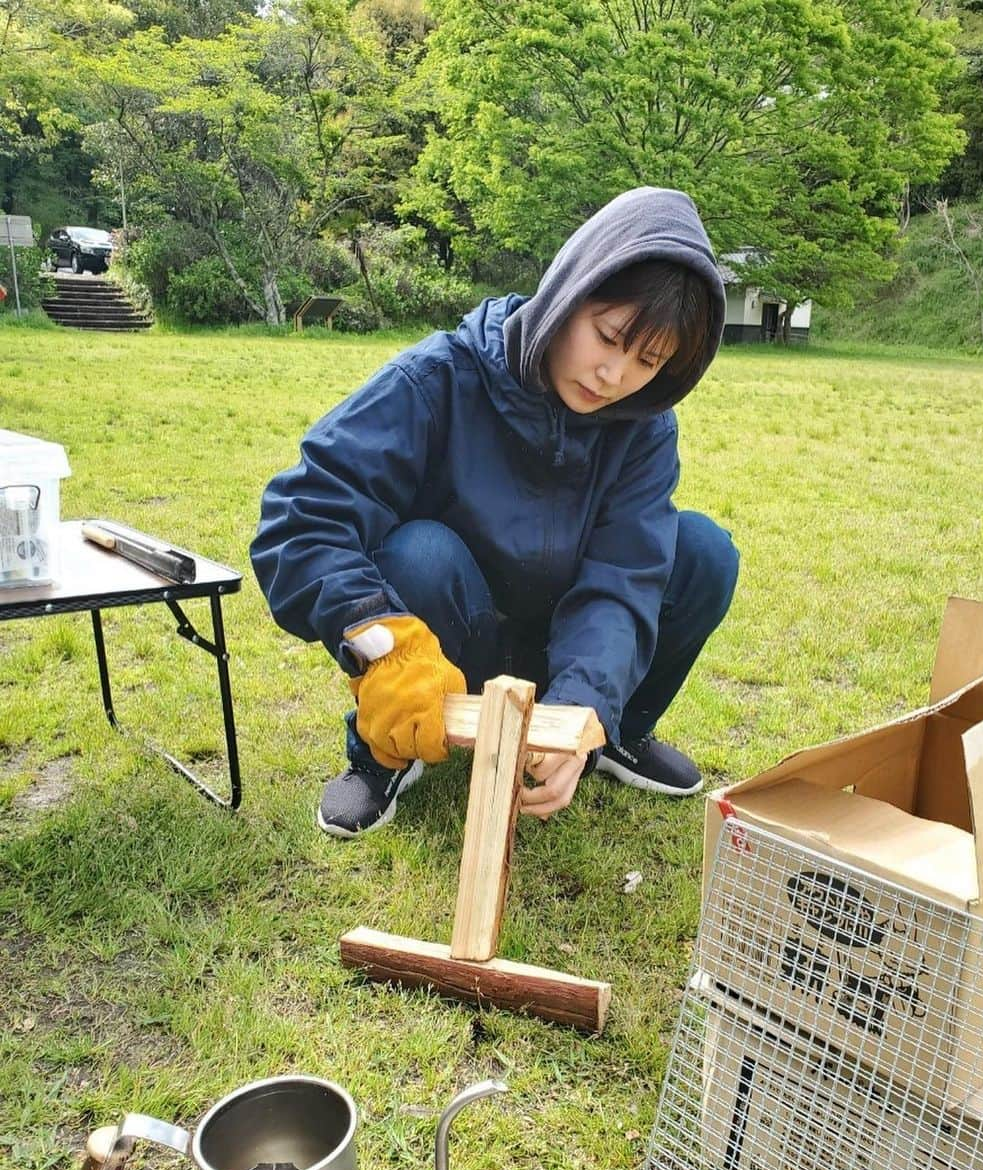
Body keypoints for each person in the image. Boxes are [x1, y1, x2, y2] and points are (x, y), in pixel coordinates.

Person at [251, 187, 739, 836]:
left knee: (701, 553)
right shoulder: (436, 380)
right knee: (419, 552)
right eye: (608, 336)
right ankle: (384, 750)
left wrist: (582, 707)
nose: (613, 375)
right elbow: (303, 516)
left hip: (559, 645)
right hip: (452, 634)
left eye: (648, 362)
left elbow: (623, 578)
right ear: (570, 291)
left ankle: (613, 733)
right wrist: (381, 643)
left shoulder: (644, 428)